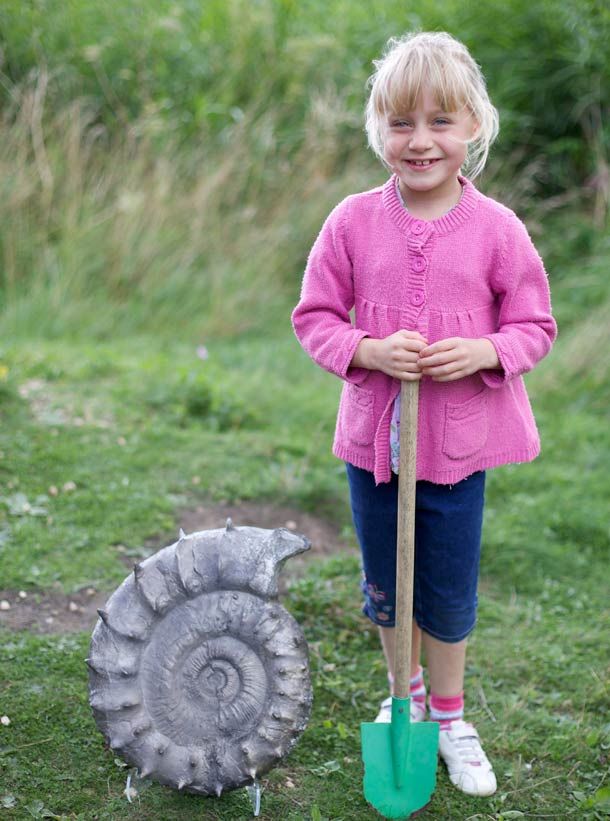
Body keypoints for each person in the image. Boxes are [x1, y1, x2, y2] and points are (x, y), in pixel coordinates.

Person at [292, 31, 556, 797]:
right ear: (378, 128)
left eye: (441, 121)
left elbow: (534, 326)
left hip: (455, 451)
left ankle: (447, 714)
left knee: (444, 590)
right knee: (387, 584)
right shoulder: (349, 221)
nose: (420, 140)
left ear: (473, 126)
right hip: (374, 447)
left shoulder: (499, 230)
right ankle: (401, 694)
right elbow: (314, 316)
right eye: (402, 122)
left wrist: (483, 352)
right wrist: (367, 350)